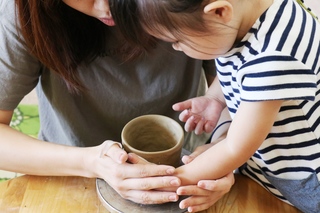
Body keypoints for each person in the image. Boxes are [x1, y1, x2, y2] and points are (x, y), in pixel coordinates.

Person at [0, 0, 236, 212]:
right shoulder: (24, 13)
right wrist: (91, 162)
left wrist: (223, 150)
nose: (107, 6)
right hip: (66, 172)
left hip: (189, 169)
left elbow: (235, 91)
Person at [110, 0, 320, 212]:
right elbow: (242, 62)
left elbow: (234, 148)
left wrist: (170, 180)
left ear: (219, 12)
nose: (176, 48)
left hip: (302, 178)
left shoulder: (273, 58)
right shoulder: (250, 18)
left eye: (177, 40)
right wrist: (216, 98)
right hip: (266, 162)